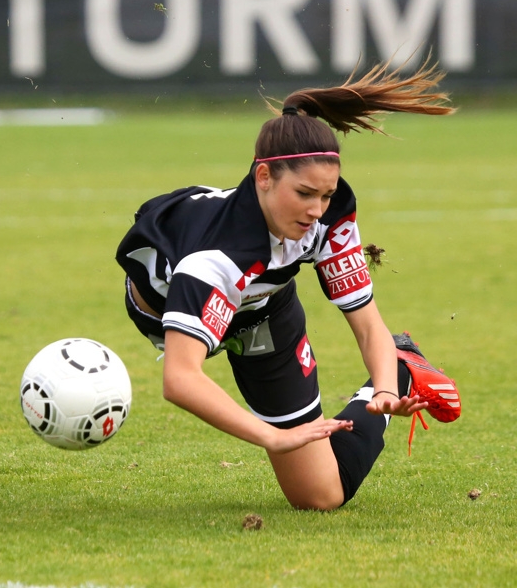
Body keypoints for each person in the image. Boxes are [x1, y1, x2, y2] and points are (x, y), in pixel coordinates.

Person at [116, 59, 462, 511]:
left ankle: (401, 362)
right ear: (263, 177)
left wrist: (385, 390)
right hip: (179, 307)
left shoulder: (328, 218)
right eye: (304, 194)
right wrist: (269, 437)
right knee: (287, 443)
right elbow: (180, 378)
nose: (317, 209)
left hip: (263, 312)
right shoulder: (215, 261)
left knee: (320, 497)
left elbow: (366, 323)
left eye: (326, 194)